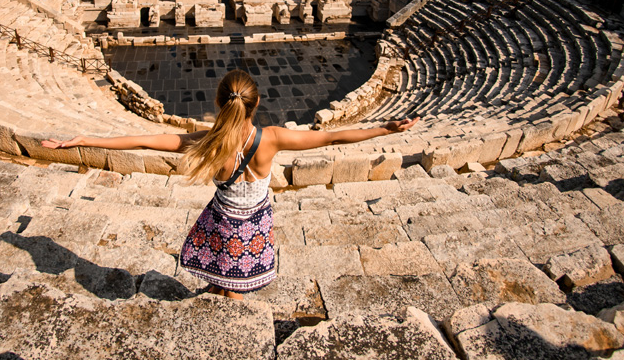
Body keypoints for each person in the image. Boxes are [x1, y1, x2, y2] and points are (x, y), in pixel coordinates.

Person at [43, 69, 417, 300]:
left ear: (219, 103)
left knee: (218, 278)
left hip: (221, 221)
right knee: (237, 287)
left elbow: (143, 140)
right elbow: (332, 138)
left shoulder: (207, 141)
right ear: (254, 106)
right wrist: (387, 128)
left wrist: (81, 141)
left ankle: (216, 296)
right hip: (253, 224)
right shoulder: (271, 139)